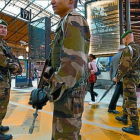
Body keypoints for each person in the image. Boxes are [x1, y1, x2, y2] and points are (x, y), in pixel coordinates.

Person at [44, 0, 90, 139]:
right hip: (66, 93)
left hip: (69, 94)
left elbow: (72, 66)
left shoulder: (74, 19)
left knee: (65, 135)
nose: (52, 1)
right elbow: (57, 61)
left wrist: (51, 90)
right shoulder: (64, 22)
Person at [113, 30, 140, 135]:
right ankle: (124, 117)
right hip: (135, 77)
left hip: (129, 78)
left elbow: (124, 66)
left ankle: (134, 127)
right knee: (126, 97)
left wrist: (117, 77)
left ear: (126, 38)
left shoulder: (127, 49)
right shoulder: (138, 48)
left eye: (123, 39)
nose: (123, 41)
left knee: (131, 100)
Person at [0, 19, 20, 139]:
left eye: (5, 28)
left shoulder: (3, 43)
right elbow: (2, 60)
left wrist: (15, 64)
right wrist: (15, 66)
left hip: (4, 80)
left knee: (2, 104)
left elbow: (12, 57)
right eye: (1, 27)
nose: (3, 29)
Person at [108, 45, 125, 114]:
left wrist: (112, 78)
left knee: (122, 94)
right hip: (122, 78)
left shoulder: (114, 57)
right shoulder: (124, 56)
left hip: (116, 78)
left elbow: (111, 69)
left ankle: (126, 109)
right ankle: (111, 108)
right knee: (117, 94)